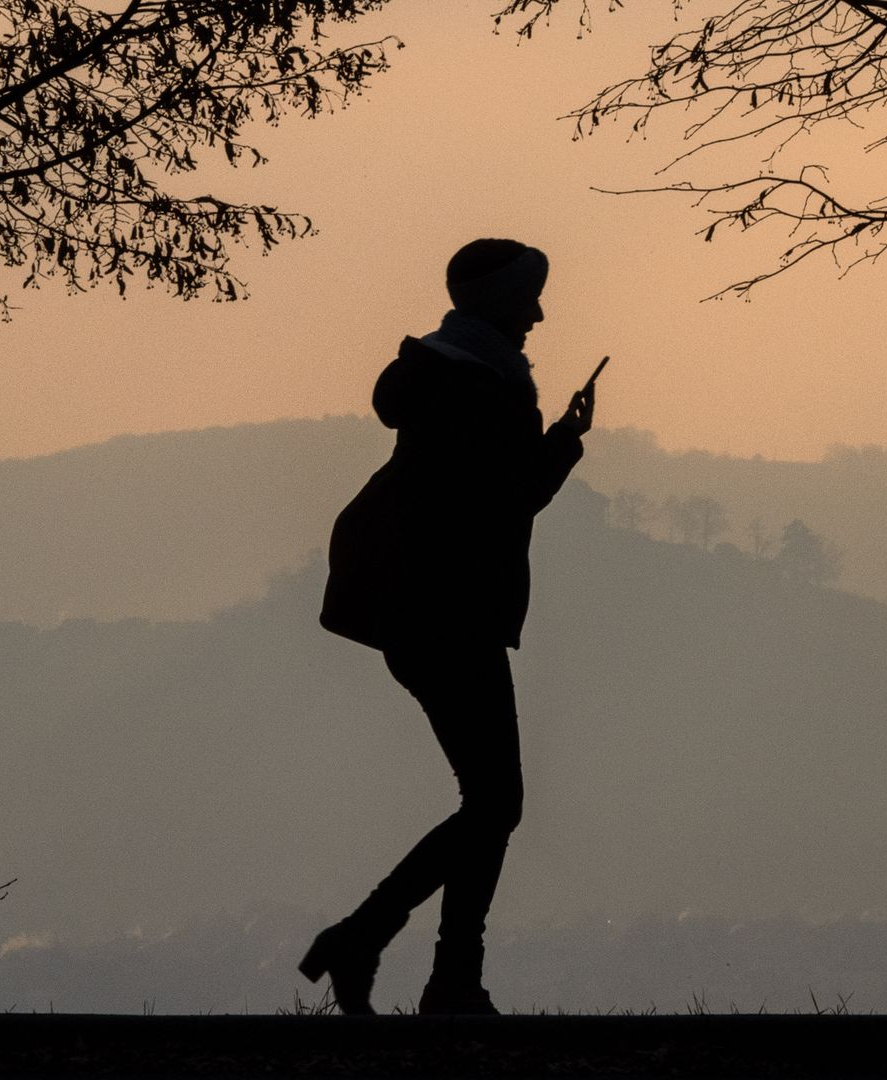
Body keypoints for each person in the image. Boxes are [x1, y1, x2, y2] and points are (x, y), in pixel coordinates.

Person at [304, 238, 594, 1015]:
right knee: (495, 802)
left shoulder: (447, 376)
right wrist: (564, 444)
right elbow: (504, 502)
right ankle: (397, 953)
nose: (538, 313)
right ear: (495, 301)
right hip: (450, 613)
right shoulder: (482, 389)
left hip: (419, 610)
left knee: (489, 801)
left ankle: (441, 974)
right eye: (527, 297)